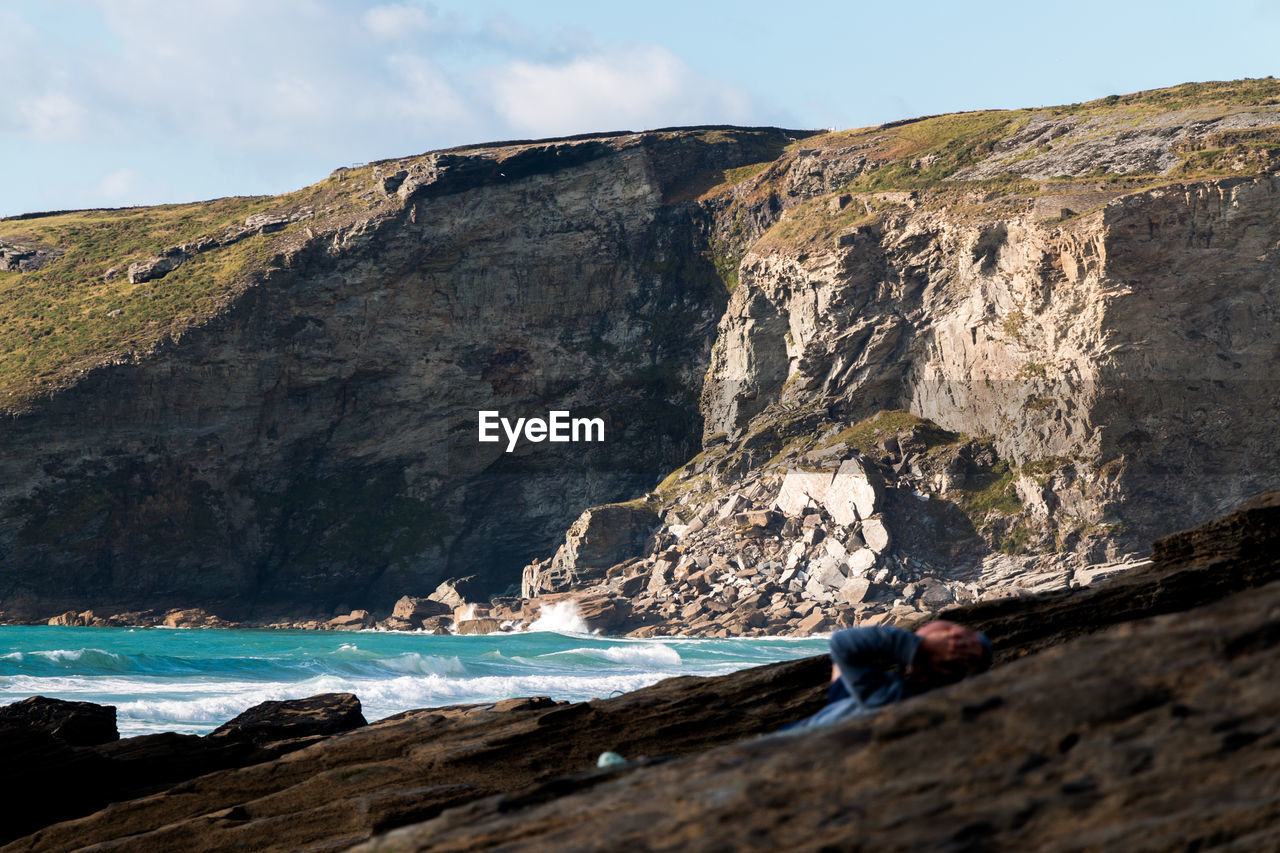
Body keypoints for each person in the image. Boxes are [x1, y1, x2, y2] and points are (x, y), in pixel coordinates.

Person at [786, 620, 993, 730]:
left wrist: (919, 645)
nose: (950, 635)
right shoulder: (886, 692)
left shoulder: (895, 697)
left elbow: (842, 643)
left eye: (950, 634)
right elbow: (842, 692)